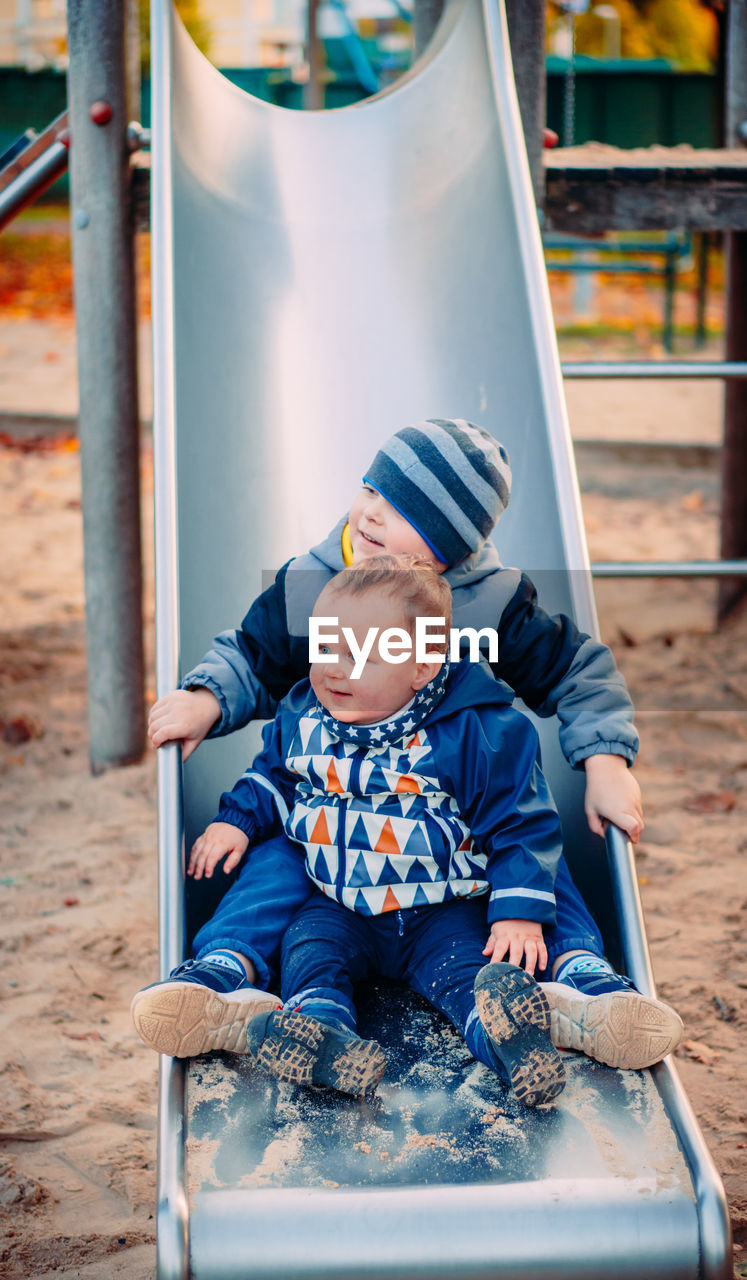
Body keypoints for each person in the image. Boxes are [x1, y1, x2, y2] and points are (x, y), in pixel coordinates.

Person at [134, 419, 681, 1072]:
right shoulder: (314, 586)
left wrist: (605, 761)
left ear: (443, 553)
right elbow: (255, 657)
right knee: (277, 851)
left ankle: (579, 977)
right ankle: (228, 973)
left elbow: (574, 672)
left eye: (399, 511)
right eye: (370, 489)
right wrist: (209, 698)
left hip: (444, 832)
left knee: (524, 832)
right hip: (335, 840)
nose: (369, 513)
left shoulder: (490, 608)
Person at [165, 556, 574, 1104]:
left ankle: (512, 1043)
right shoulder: (306, 714)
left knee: (467, 976)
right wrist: (237, 820)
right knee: (308, 953)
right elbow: (277, 774)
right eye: (326, 647)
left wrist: (519, 911)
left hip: (438, 907)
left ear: (423, 666)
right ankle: (324, 1039)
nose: (334, 668)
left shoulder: (470, 729)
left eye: (359, 655)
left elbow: (520, 819)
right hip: (339, 902)